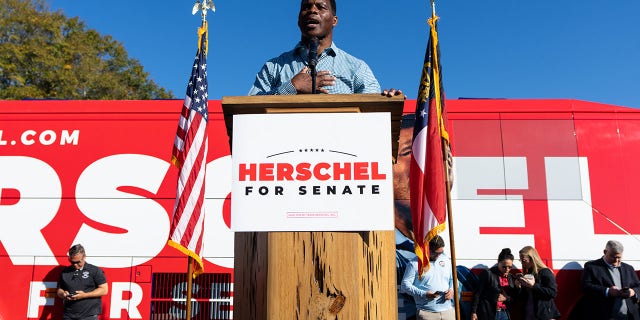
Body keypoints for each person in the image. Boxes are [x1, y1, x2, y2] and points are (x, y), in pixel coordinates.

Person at [249, 0, 386, 95]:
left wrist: (390, 98)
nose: (312, 10)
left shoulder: (356, 68)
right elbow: (249, 110)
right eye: (306, 7)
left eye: (321, 7)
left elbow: (376, 109)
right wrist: (292, 86)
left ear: (334, 21)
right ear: (298, 20)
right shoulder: (274, 67)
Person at [581, 240, 640, 320]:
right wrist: (607, 291)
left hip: (629, 316)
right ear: (605, 252)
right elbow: (586, 286)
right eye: (613, 257)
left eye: (619, 257)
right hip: (604, 315)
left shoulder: (628, 268)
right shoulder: (592, 267)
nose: (616, 261)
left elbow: (638, 286)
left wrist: (633, 292)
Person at [401, 235, 455, 320]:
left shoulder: (446, 260)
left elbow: (453, 279)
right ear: (427, 249)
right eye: (436, 253)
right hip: (426, 313)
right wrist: (424, 294)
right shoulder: (414, 264)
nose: (438, 256)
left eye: (441, 252)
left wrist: (452, 290)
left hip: (448, 312)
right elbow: (405, 285)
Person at [57, 244, 108, 320]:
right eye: (72, 262)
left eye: (78, 262)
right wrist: (63, 294)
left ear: (84, 257)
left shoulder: (95, 270)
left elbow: (104, 290)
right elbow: (59, 290)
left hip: (89, 316)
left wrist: (84, 295)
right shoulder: (65, 272)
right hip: (68, 315)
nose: (75, 265)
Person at [471, 248, 519, 320]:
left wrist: (507, 298)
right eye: (504, 267)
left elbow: (515, 298)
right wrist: (474, 312)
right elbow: (478, 293)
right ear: (498, 262)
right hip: (489, 313)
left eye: (510, 267)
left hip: (504, 313)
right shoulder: (488, 274)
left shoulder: (511, 277)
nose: (507, 269)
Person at [515, 246, 561, 320]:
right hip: (529, 314)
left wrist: (533, 285)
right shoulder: (529, 273)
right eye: (520, 261)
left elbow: (553, 292)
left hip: (543, 315)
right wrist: (519, 287)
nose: (522, 263)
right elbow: (525, 297)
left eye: (524, 260)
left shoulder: (545, 272)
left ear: (532, 259)